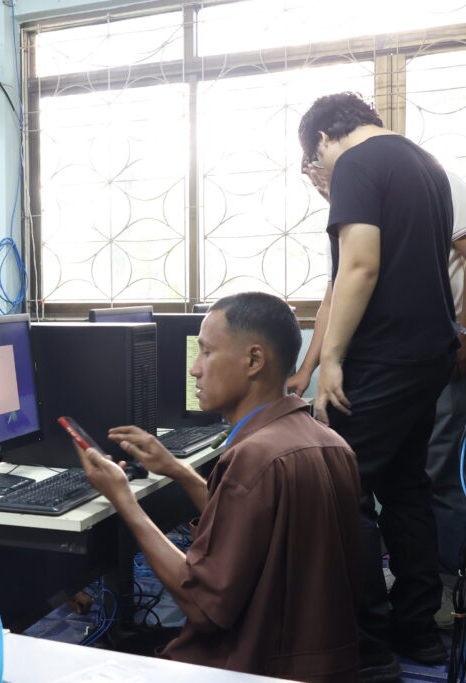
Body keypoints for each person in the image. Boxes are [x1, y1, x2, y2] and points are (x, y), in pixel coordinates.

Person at [76, 292, 360, 682]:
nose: (195, 369)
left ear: (254, 360)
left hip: (249, 666)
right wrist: (179, 470)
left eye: (207, 353)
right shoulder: (331, 443)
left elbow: (202, 605)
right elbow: (255, 524)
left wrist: (125, 501)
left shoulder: (253, 457)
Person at [295, 92, 458, 680]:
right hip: (429, 355)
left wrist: (331, 361)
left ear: (321, 139)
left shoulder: (358, 164)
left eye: (314, 162)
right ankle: (419, 631)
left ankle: (364, 643)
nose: (318, 173)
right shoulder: (425, 164)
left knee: (343, 487)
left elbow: (360, 266)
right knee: (407, 488)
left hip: (383, 356)